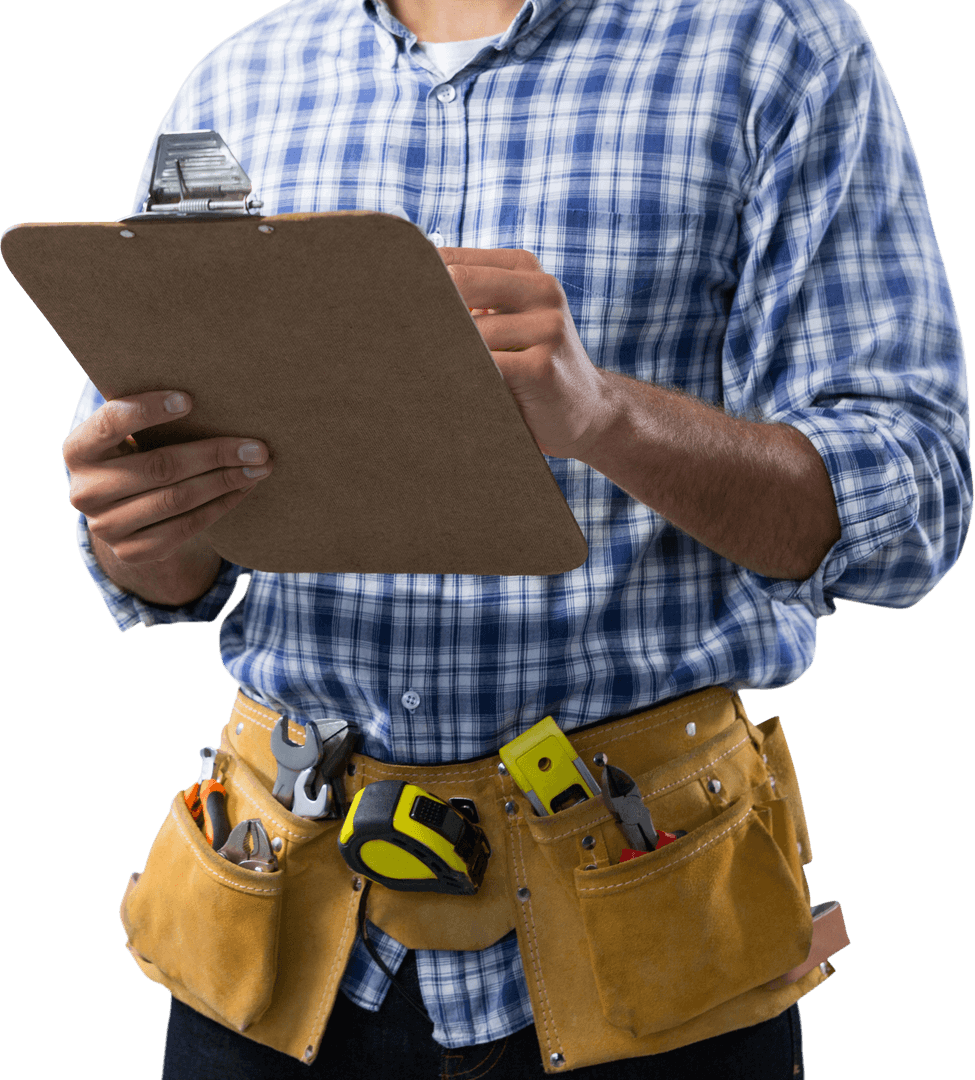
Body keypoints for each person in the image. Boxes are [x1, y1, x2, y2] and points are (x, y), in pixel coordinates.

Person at [60, 1, 971, 1077]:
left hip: (645, 943)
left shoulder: (776, 46)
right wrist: (138, 531)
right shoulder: (238, 81)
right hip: (273, 938)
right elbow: (169, 571)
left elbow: (915, 504)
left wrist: (607, 419)